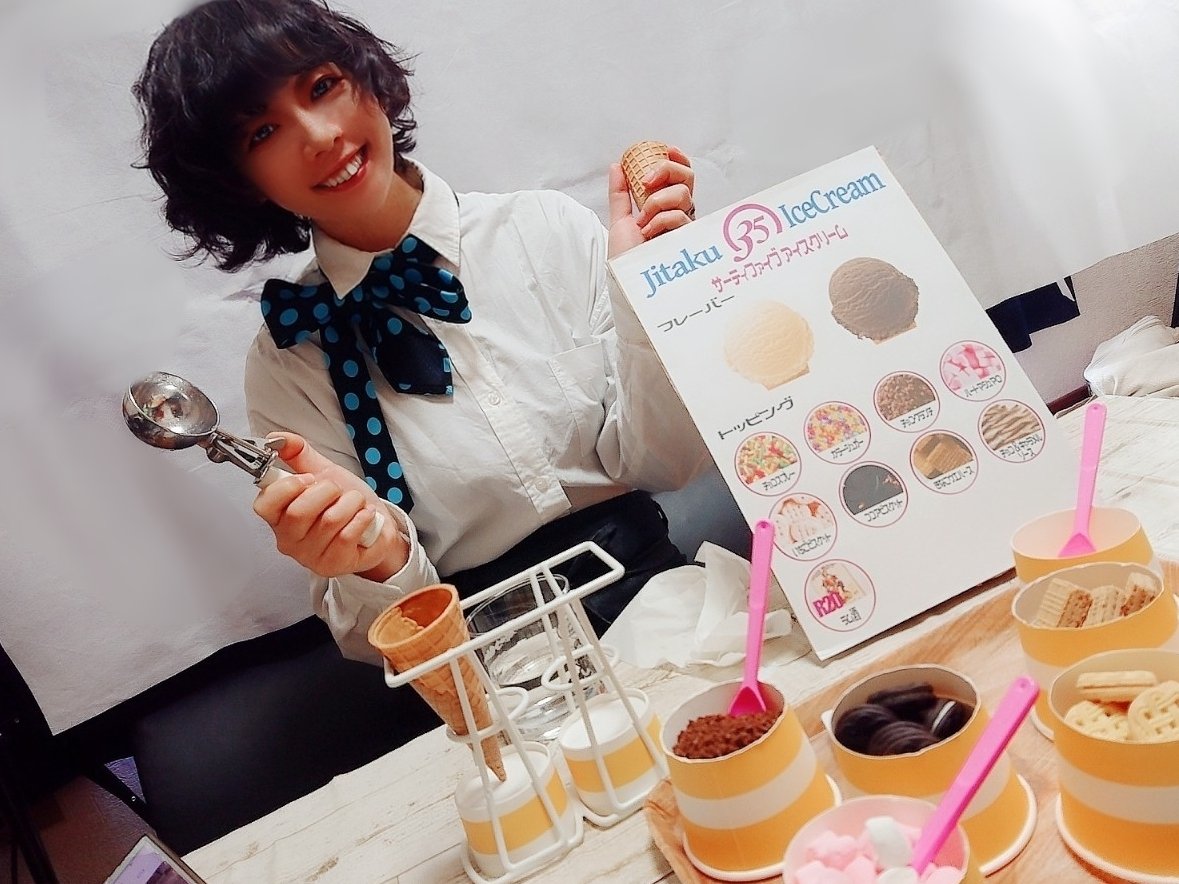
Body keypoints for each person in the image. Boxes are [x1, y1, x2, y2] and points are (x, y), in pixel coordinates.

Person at [134, 0, 710, 664]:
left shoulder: (544, 232)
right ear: (241, 183)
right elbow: (374, 642)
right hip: (498, 670)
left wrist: (650, 298)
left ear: (368, 78)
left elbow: (671, 464)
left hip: (672, 611)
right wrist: (374, 556)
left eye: (322, 86)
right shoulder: (290, 360)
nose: (319, 134)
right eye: (263, 132)